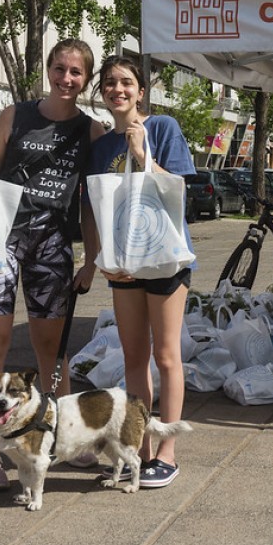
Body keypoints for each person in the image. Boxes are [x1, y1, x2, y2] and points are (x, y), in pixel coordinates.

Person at [0, 39, 105, 491]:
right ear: (48, 69)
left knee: (53, 353)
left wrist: (91, 259)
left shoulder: (90, 131)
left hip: (53, 248)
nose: (65, 79)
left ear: (86, 78)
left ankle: (65, 440)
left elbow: (91, 204)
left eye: (75, 72)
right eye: (59, 69)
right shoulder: (14, 116)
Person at [82, 55, 196, 488]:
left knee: (167, 356)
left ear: (141, 90)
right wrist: (98, 260)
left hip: (164, 257)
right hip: (124, 265)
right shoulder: (99, 147)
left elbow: (179, 189)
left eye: (126, 82)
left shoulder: (162, 128)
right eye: (109, 83)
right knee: (134, 359)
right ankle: (139, 448)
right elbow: (95, 209)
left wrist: (142, 154)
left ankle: (167, 451)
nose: (118, 90)